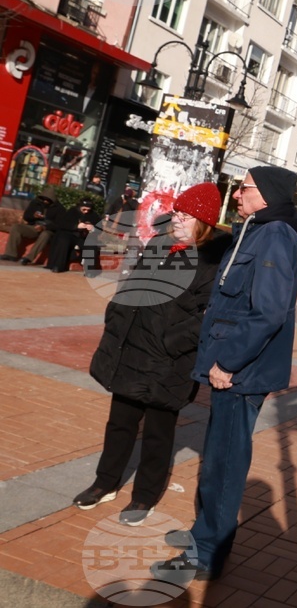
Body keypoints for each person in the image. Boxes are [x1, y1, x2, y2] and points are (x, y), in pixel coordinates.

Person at [151, 167, 297, 581]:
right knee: (218, 456)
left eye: (243, 188)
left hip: (241, 371)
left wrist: (229, 362)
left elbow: (268, 312)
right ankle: (204, 533)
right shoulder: (257, 230)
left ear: (266, 194)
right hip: (235, 366)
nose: (235, 194)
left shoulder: (275, 235)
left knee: (224, 463)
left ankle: (206, 553)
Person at [72, 184, 231, 526]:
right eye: (176, 213)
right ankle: (105, 482)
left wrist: (170, 342)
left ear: (203, 222)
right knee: (120, 422)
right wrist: (116, 316)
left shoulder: (214, 261)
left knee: (159, 433)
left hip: (169, 360)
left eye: (185, 215)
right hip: (132, 348)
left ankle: (145, 496)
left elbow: (208, 317)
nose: (176, 219)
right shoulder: (160, 244)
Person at [1, 187, 64, 264]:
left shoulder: (60, 209)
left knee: (45, 235)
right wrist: (33, 216)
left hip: (48, 230)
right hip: (34, 227)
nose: (45, 201)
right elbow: (26, 216)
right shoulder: (35, 203)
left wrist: (44, 227)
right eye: (44, 199)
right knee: (16, 227)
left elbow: (59, 225)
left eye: (48, 200)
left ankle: (29, 258)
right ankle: (10, 254)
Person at [46, 197, 96, 273]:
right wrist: (76, 226)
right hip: (71, 235)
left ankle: (90, 270)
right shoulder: (72, 211)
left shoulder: (93, 215)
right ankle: (58, 266)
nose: (86, 212)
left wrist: (93, 228)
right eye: (84, 209)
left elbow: (99, 227)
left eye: (88, 210)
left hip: (84, 237)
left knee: (91, 245)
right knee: (63, 240)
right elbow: (63, 224)